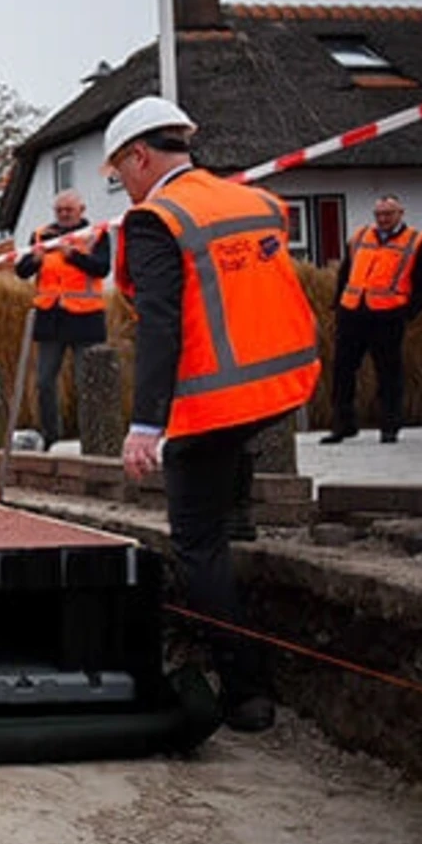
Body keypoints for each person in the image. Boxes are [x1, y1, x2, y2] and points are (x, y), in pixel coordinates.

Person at [109, 96, 320, 734]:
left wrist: (147, 425)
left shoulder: (155, 220)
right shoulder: (252, 201)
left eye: (119, 174)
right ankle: (239, 515)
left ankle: (246, 691)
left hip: (214, 399)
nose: (123, 188)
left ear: (140, 157)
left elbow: (160, 324)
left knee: (197, 543)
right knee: (224, 502)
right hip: (282, 382)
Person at [321, 195, 422, 444]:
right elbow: (346, 272)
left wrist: (408, 313)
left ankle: (389, 426)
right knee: (342, 370)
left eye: (388, 214)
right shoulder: (360, 237)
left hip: (388, 315)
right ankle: (343, 425)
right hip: (353, 311)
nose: (383, 219)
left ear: (400, 214)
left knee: (388, 372)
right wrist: (338, 305)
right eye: (379, 214)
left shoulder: (416, 241)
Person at [14, 189, 112, 448]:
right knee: (44, 381)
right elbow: (21, 271)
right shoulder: (41, 235)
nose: (64, 215)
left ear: (82, 210)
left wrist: (74, 257)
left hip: (86, 317)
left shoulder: (96, 234)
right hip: (51, 317)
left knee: (86, 382)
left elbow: (102, 267)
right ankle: (51, 436)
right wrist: (34, 260)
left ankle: (92, 437)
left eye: (69, 210)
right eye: (59, 210)